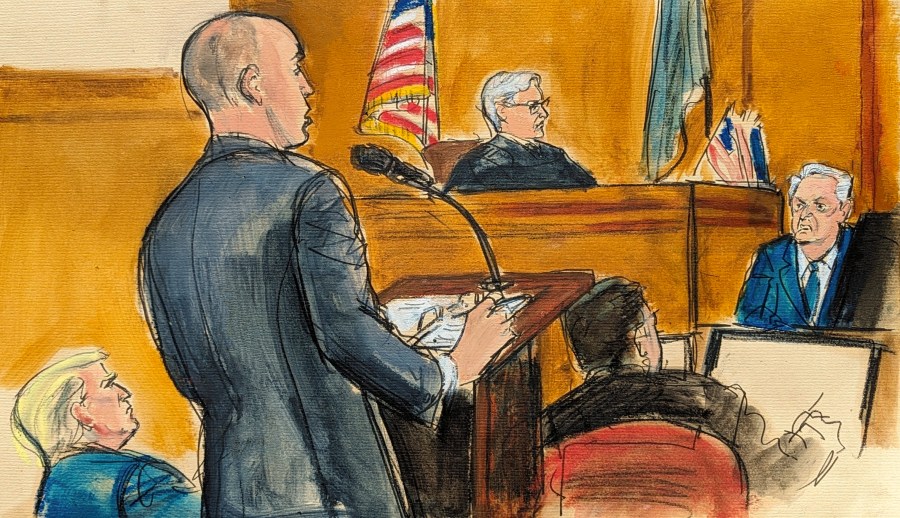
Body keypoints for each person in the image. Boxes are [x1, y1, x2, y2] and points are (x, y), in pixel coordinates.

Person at [139, 13, 515, 518]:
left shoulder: (167, 222)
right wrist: (450, 370)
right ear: (254, 85)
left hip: (232, 494)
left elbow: (191, 370)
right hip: (328, 489)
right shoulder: (308, 189)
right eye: (295, 69)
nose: (308, 86)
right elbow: (344, 332)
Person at [543, 277, 844, 500]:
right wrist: (814, 441)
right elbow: (771, 481)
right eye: (653, 329)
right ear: (640, 343)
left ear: (581, 359)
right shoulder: (704, 398)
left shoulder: (549, 426)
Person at [10, 349, 200, 517]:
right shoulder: (139, 479)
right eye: (108, 384)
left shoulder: (57, 483)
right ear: (82, 413)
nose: (124, 392)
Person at [735, 163, 856, 330]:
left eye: (820, 206)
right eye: (800, 205)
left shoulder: (862, 252)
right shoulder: (771, 256)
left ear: (844, 210)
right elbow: (747, 319)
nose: (804, 215)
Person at [442, 71, 597, 192]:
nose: (544, 113)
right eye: (533, 106)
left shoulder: (555, 155)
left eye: (542, 104)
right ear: (502, 110)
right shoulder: (478, 164)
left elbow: (592, 194)